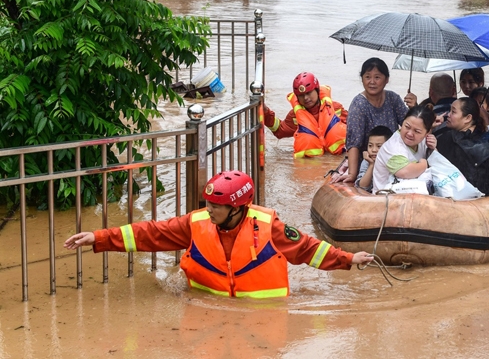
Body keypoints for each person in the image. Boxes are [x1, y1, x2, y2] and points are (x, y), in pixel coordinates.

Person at [64, 171, 374, 298]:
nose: (209, 211)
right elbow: (151, 233)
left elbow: (308, 250)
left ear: (238, 207)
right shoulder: (196, 223)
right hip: (204, 302)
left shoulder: (269, 226)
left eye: (217, 206)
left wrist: (349, 258)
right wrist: (99, 237)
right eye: (209, 204)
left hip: (263, 314)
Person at [332, 58, 411, 183]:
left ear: (386, 80)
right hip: (368, 160)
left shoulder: (393, 99)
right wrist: (352, 174)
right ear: (362, 79)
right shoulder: (359, 105)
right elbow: (354, 143)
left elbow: (409, 127)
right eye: (367, 77)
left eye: (377, 77)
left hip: (392, 158)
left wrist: (414, 107)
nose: (372, 82)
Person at [264, 72, 348, 158]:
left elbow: (355, 127)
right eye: (301, 95)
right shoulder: (295, 116)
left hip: (338, 157)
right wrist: (266, 112)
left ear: (317, 90)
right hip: (312, 164)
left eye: (308, 93)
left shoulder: (335, 108)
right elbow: (279, 131)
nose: (305, 98)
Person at [435, 98, 489, 196]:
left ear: (467, 118)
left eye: (453, 112)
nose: (448, 115)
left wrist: (429, 129)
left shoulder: (448, 138)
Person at [372, 106, 437, 193]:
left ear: (427, 133)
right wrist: (425, 164)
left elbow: (437, 163)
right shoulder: (392, 147)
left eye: (417, 131)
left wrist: (433, 148)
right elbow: (406, 172)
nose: (410, 133)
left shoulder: (424, 141)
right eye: (407, 126)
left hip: (412, 196)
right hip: (385, 200)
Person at [356, 125, 393, 192]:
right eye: (370, 146)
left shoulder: (394, 160)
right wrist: (371, 165)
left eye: (379, 146)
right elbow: (362, 186)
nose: (373, 150)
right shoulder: (367, 161)